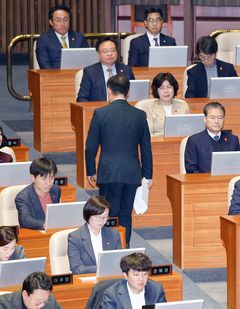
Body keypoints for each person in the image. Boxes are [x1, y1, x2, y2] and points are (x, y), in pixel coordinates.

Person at [85, 75, 153, 247]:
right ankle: (125, 246)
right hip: (131, 173)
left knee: (107, 213)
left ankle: (110, 247)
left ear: (109, 91)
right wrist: (148, 175)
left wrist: (91, 170)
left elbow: (91, 146)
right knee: (125, 213)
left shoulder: (100, 113)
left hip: (108, 173)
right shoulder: (139, 115)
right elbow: (146, 148)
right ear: (128, 92)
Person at [67, 195, 122, 274]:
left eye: (105, 217)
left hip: (109, 279)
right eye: (97, 217)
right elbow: (76, 268)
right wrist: (100, 269)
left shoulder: (113, 234)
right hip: (88, 281)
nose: (101, 221)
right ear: (88, 215)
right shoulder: (75, 238)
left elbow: (119, 262)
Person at [184, 102, 240, 173]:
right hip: (204, 182)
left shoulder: (233, 139)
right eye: (212, 118)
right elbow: (191, 169)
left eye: (220, 117)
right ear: (205, 119)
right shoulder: (194, 141)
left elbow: (239, 165)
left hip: (228, 180)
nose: (216, 121)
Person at [77, 36, 135, 102]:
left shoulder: (127, 70)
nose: (110, 54)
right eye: (105, 51)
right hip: (99, 110)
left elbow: (133, 94)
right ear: (98, 55)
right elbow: (82, 98)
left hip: (122, 109)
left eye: (113, 50)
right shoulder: (90, 72)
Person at [101, 253, 166, 308]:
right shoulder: (112, 294)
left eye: (145, 274)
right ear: (125, 275)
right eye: (136, 275)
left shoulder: (157, 289)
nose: (141, 279)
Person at [35, 3, 88, 69]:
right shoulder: (43, 40)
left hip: (78, 76)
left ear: (69, 20)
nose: (62, 24)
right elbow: (45, 66)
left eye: (65, 20)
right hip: (55, 77)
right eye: (58, 20)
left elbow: (87, 62)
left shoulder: (79, 38)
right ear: (51, 22)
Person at [15, 158, 60, 230]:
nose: (48, 183)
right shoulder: (23, 197)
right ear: (33, 178)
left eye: (51, 178)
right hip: (35, 233)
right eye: (44, 179)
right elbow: (25, 220)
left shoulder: (55, 190)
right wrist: (44, 224)